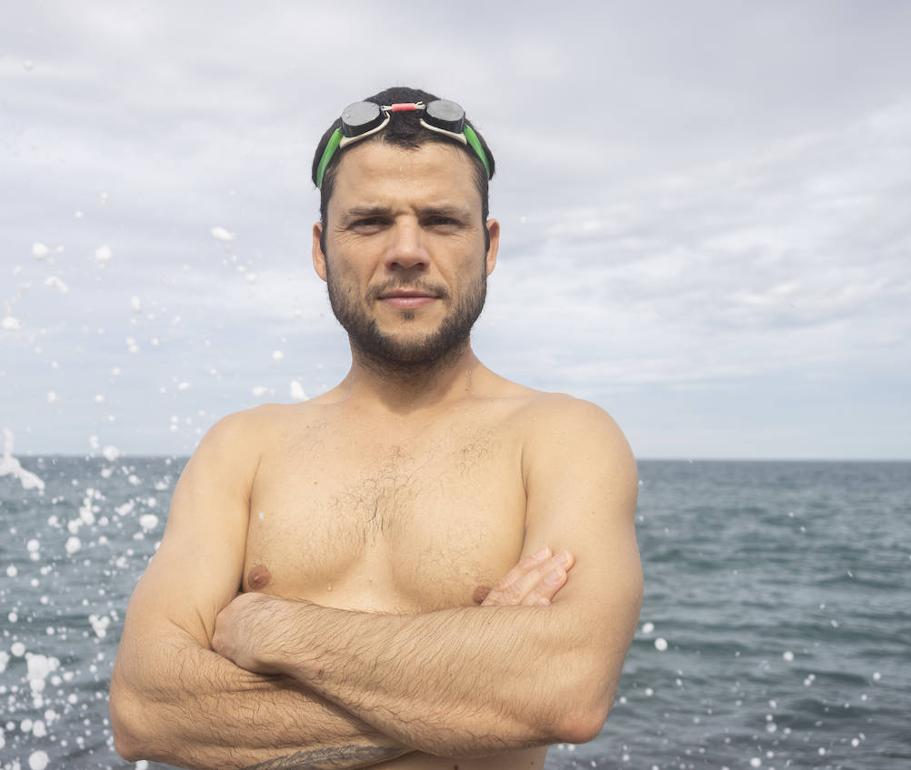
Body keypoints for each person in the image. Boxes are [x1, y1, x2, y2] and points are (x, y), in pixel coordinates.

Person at [108, 85, 643, 769]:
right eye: (369, 223)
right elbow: (146, 710)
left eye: (442, 221)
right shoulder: (242, 448)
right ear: (321, 250)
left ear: (488, 246)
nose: (407, 250)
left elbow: (565, 690)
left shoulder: (563, 439)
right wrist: (472, 685)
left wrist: (277, 629)